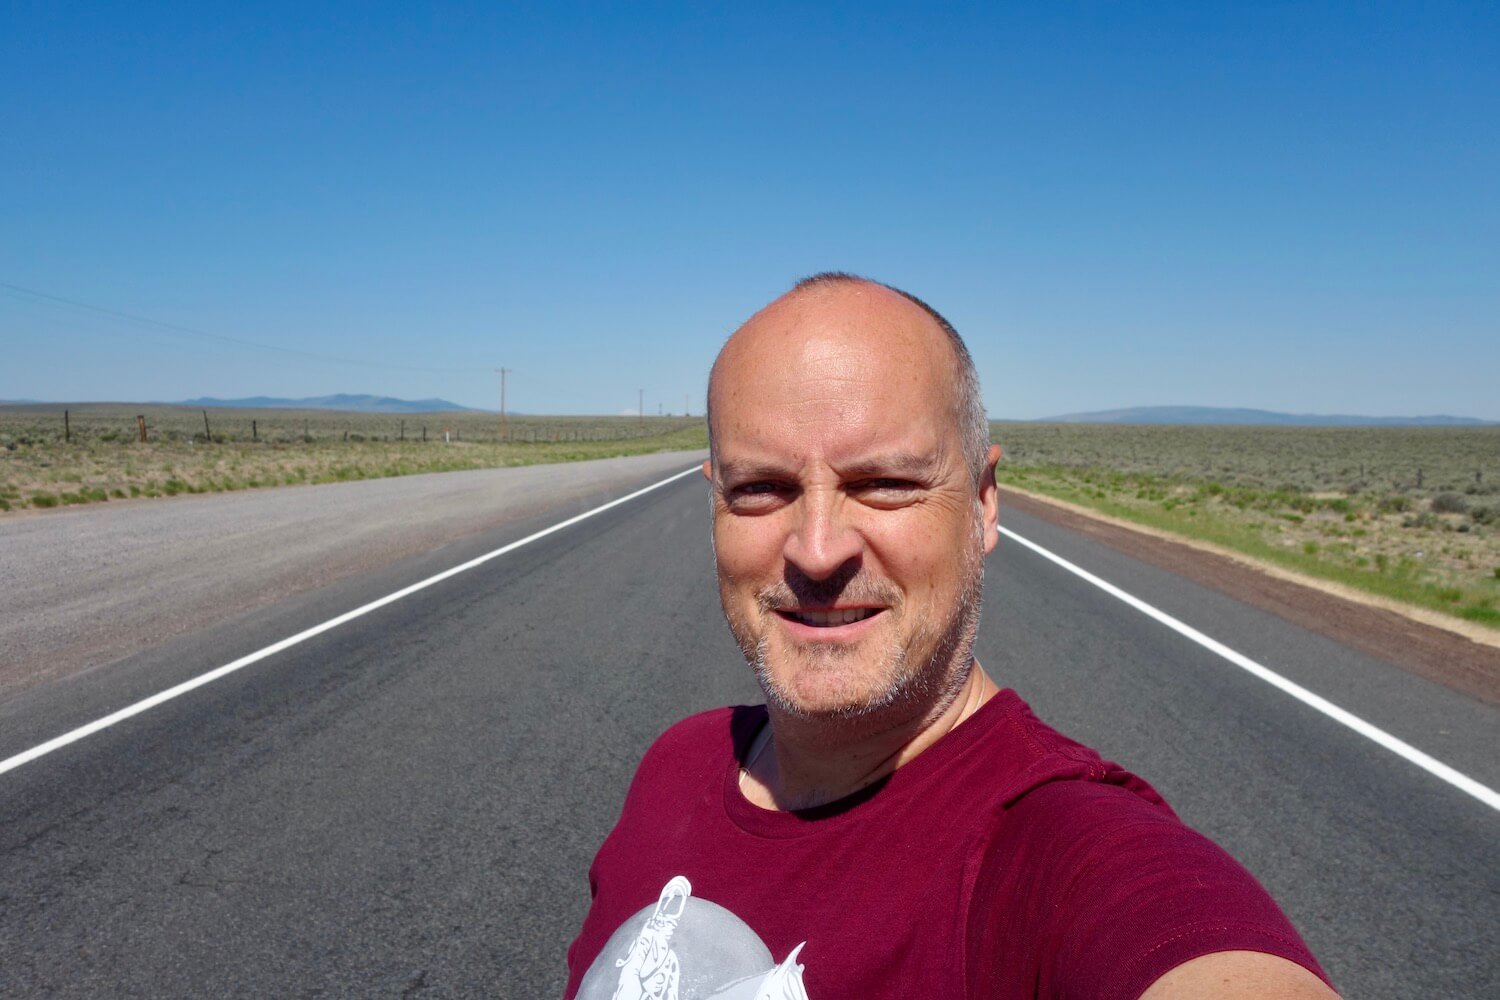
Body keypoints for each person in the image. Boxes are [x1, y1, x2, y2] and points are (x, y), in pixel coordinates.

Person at [566, 274, 1338, 999]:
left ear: (983, 504)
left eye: (886, 484)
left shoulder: (1055, 853)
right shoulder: (678, 764)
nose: (818, 547)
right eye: (760, 489)